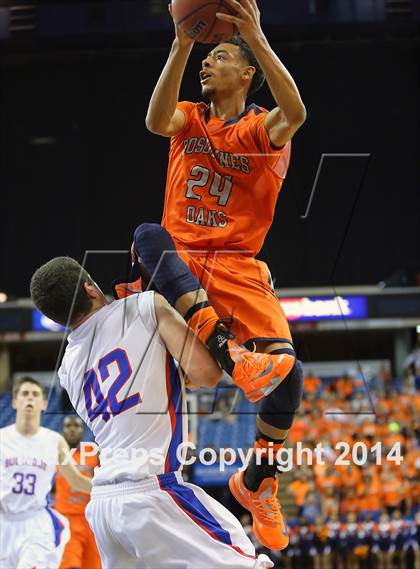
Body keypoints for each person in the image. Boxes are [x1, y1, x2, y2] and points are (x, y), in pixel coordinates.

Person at [134, 0, 306, 551]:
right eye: (206, 57)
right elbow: (155, 121)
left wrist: (255, 36)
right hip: (180, 260)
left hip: (237, 264)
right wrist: (182, 42)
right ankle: (233, 356)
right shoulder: (190, 117)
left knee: (289, 375)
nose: (209, 65)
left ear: (247, 71)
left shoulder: (261, 129)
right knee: (146, 237)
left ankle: (258, 481)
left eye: (220, 56)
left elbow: (295, 112)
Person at [30, 256, 273, 569]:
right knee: (246, 561)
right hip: (151, 489)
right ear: (90, 289)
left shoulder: (67, 369)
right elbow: (207, 375)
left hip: (103, 506)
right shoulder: (144, 306)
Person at [0, 377, 92, 569]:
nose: (30, 399)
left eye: (35, 394)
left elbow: (76, 481)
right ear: (15, 402)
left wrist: (106, 488)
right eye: (24, 394)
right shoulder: (2, 438)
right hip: (4, 522)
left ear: (44, 404)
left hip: (35, 523)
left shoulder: (55, 440)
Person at [55, 416, 101, 569]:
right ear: (63, 430)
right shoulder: (56, 455)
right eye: (68, 426)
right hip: (66, 520)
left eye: (76, 425)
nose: (72, 429)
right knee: (70, 566)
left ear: (83, 431)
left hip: (91, 521)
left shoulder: (93, 454)